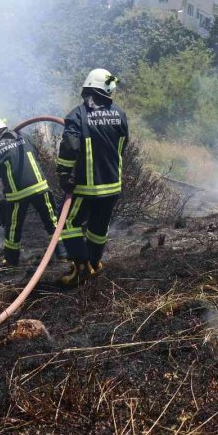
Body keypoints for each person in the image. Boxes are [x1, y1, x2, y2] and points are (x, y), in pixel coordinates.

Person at [55, 68, 129, 287]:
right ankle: (95, 263)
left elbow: (70, 148)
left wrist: (64, 173)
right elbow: (123, 145)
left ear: (88, 88)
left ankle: (80, 267)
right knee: (99, 228)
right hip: (112, 185)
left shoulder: (78, 115)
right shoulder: (119, 113)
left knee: (68, 223)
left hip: (87, 187)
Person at [0, 115, 67, 266]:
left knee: (14, 228)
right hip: (41, 188)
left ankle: (11, 261)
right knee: (52, 221)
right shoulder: (24, 136)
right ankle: (63, 254)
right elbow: (35, 153)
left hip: (17, 195)